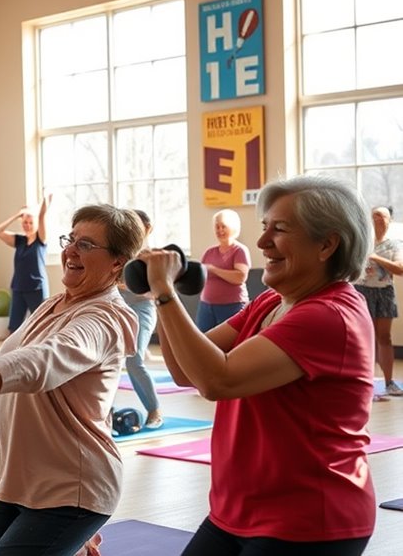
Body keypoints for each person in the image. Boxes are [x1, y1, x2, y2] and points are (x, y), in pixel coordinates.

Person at [142, 176, 375, 555]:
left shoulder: (329, 315)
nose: (263, 242)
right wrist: (159, 295)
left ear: (327, 244)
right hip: (235, 512)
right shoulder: (270, 302)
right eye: (265, 227)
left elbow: (218, 380)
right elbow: (186, 371)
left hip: (309, 521)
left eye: (279, 229)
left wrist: (167, 294)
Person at [0, 205, 142, 556]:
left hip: (69, 491)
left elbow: (45, 361)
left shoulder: (107, 317)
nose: (70, 251)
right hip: (17, 486)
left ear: (117, 263)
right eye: (71, 239)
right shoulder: (54, 303)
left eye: (86, 245)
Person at [118, 210, 163, 429]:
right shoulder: (120, 251)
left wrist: (134, 287)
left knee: (133, 359)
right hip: (119, 308)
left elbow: (157, 290)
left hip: (142, 310)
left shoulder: (149, 254)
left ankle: (154, 411)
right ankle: (104, 414)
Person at [354, 206, 403, 397]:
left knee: (384, 337)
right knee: (364, 338)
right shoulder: (363, 241)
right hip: (362, 291)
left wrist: (375, 257)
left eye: (382, 217)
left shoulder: (395, 244)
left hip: (384, 292)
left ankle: (389, 382)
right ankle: (366, 384)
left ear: (389, 221)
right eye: (375, 216)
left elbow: (399, 268)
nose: (378, 220)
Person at [0, 194, 51, 333]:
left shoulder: (41, 240)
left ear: (36, 224)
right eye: (25, 222)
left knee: (42, 325)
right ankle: (13, 353)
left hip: (37, 288)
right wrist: (17, 215)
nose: (28, 225)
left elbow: (42, 216)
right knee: (14, 327)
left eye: (31, 222)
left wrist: (43, 205)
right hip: (18, 287)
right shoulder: (19, 241)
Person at [196, 209, 251, 332]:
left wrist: (214, 270)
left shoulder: (239, 250)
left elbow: (240, 277)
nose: (220, 230)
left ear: (233, 228)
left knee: (231, 344)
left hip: (232, 306)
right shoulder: (209, 252)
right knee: (203, 340)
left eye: (223, 227)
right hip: (206, 306)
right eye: (217, 227)